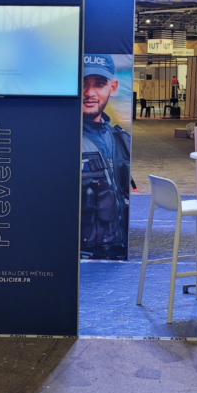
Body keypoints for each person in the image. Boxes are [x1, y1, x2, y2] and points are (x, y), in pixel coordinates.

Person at [81, 54, 131, 260]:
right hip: (81, 257)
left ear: (113, 88)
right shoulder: (62, 141)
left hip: (119, 252)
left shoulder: (122, 140)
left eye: (99, 84)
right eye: (82, 83)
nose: (89, 92)